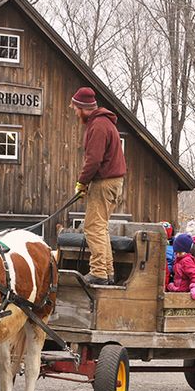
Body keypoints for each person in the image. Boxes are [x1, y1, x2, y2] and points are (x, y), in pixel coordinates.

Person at [71, 86, 127, 286]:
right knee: (101, 228)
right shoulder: (104, 123)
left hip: (104, 182)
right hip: (112, 182)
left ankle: (98, 272)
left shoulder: (98, 126)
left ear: (83, 108)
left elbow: (93, 160)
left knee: (93, 227)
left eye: (76, 109)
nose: (75, 112)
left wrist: (82, 182)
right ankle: (107, 271)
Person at [167, 233, 195, 300]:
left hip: (184, 290)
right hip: (179, 288)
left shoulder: (186, 261)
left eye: (180, 253)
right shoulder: (178, 260)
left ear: (187, 252)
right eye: (176, 252)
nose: (177, 255)